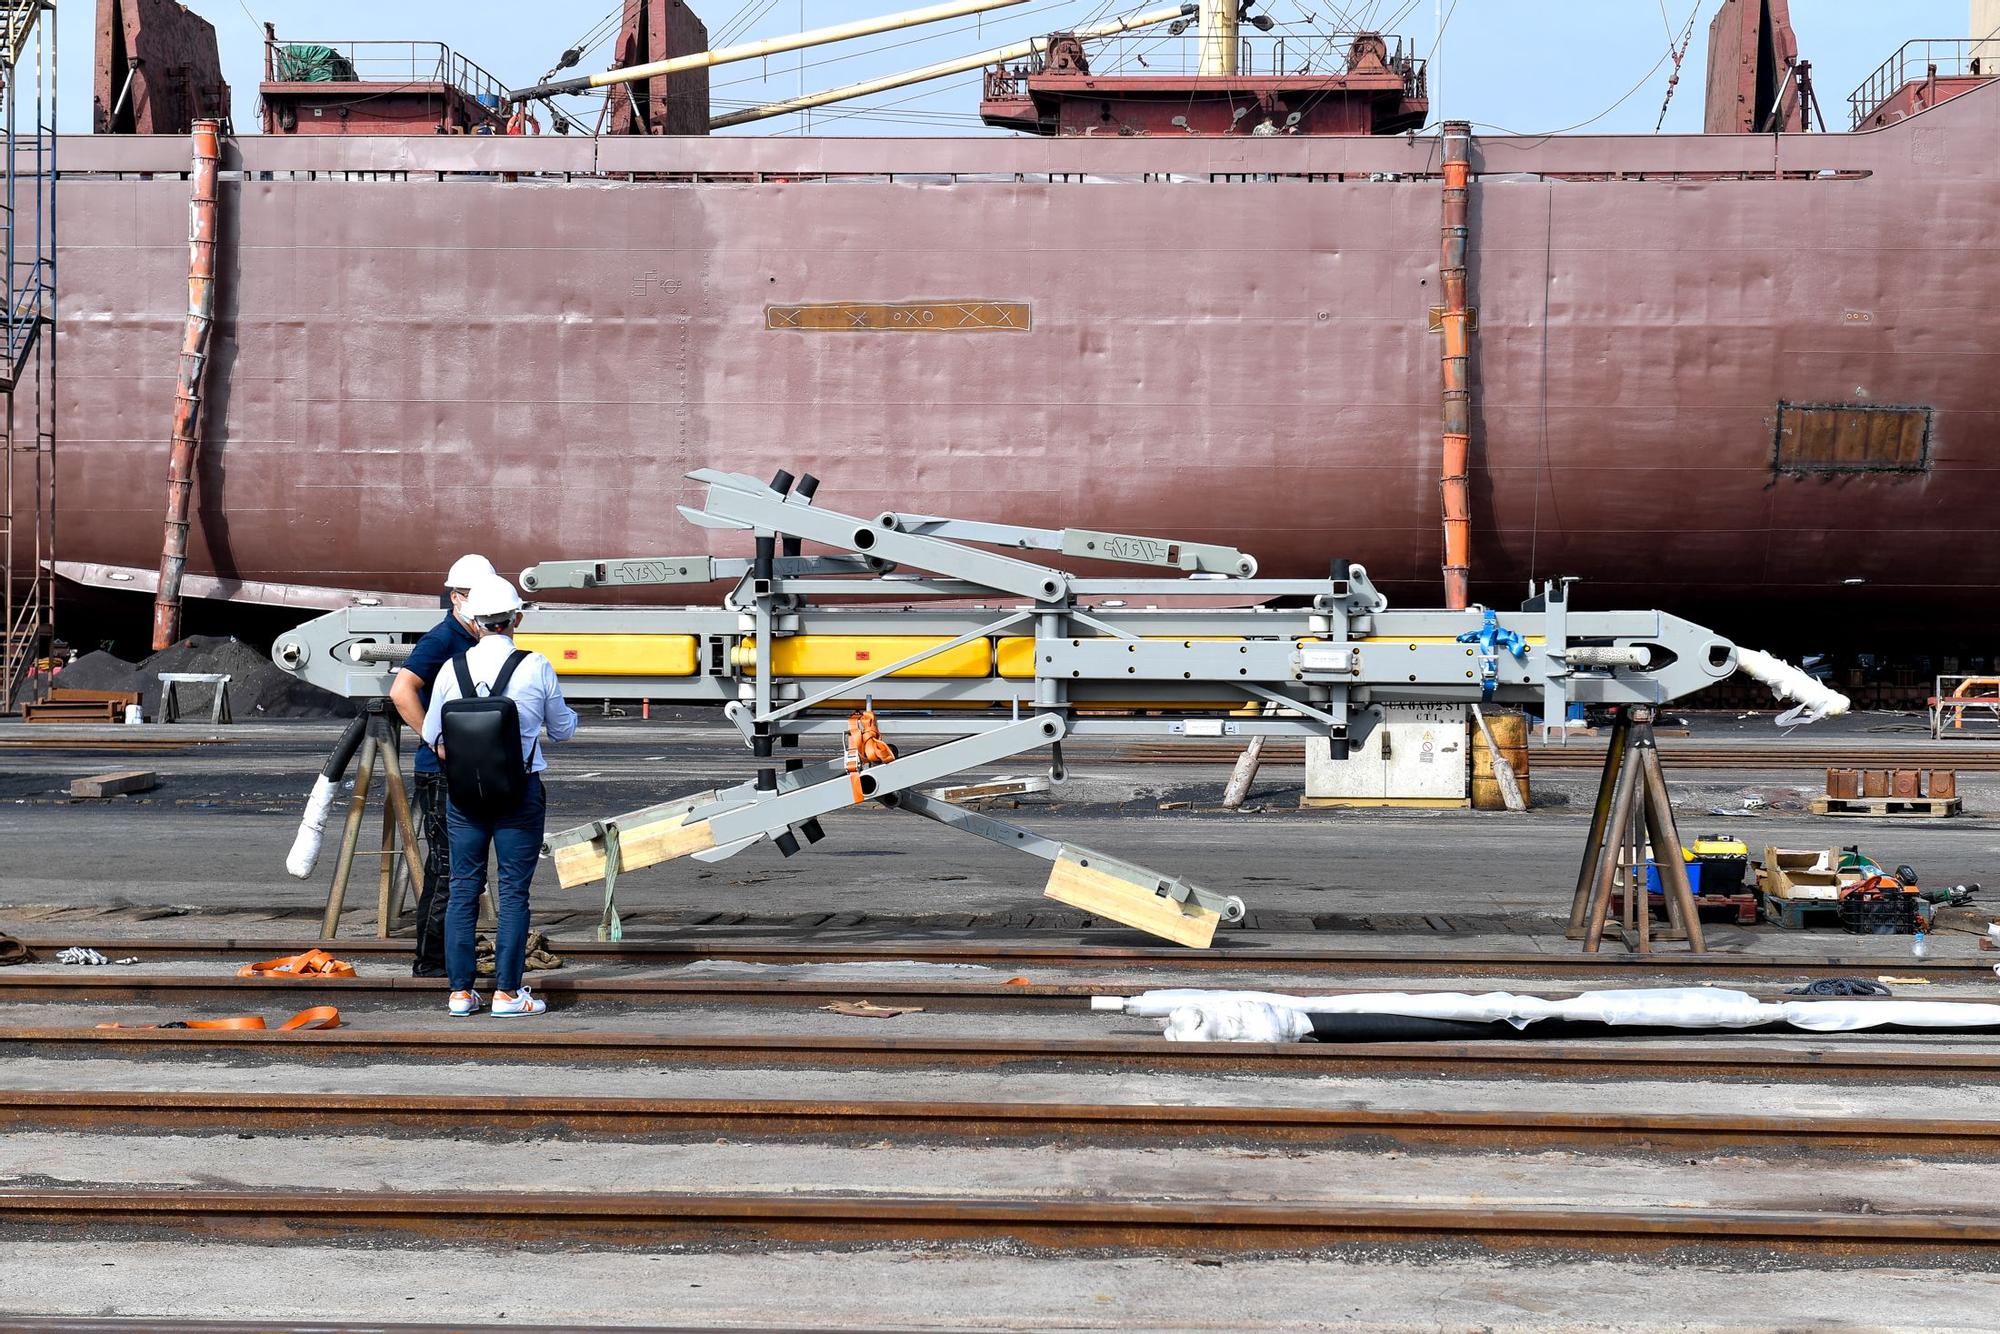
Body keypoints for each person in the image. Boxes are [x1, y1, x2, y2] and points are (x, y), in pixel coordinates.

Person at [421, 573, 577, 1018]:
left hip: (465, 796)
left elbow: (433, 733)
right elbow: (562, 730)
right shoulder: (536, 665)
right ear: (516, 619)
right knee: (513, 892)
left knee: (463, 888)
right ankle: (508, 993)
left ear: (473, 622)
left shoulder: (453, 668)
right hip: (519, 794)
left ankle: (460, 993)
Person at [388, 553, 494, 976]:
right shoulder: (442, 639)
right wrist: (436, 741)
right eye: (474, 596)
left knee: (459, 864)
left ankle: (449, 952)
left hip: (464, 768)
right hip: (440, 772)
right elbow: (402, 691)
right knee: (448, 866)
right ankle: (432, 960)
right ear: (456, 598)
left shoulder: (475, 638)